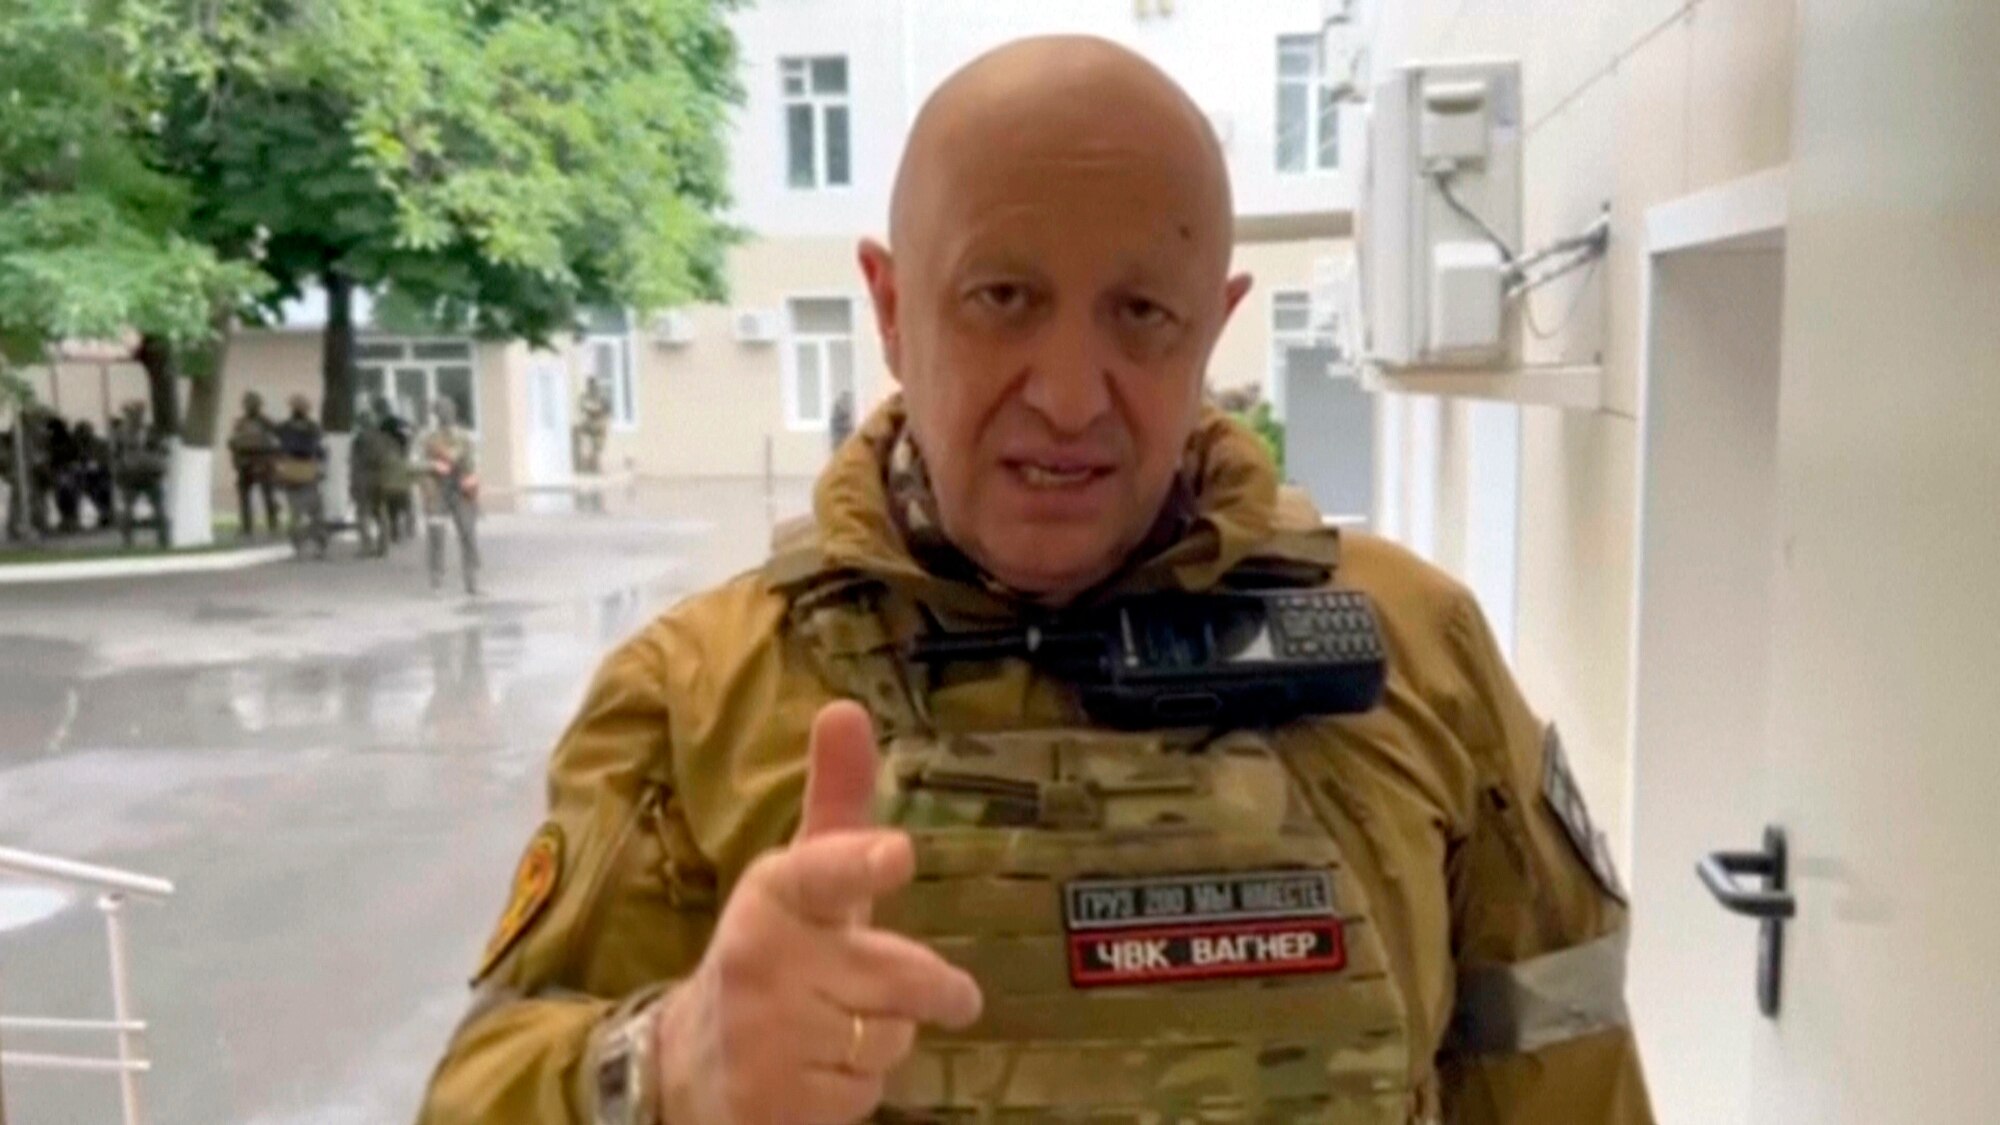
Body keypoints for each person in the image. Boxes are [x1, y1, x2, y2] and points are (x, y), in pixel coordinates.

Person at [417, 37, 1651, 1125]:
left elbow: (1566, 1072)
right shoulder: (696, 700)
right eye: (1002, 298)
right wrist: (668, 1072)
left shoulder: (1413, 655)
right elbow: (481, 1089)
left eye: (1141, 314)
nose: (1067, 394)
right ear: (893, 311)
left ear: (1212, 326)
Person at [418, 397, 480, 595]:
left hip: (461, 490)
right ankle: (436, 581)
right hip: (437, 490)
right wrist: (432, 465)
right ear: (436, 415)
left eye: (449, 409)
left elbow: (473, 461)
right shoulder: (428, 438)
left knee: (468, 534)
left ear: (454, 411)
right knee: (436, 536)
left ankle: (472, 582)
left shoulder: (464, 436)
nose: (446, 414)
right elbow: (414, 463)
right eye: (442, 410)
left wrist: (473, 480)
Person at [273, 393, 328, 559]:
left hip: (290, 470)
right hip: (309, 470)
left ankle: (298, 547)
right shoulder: (314, 428)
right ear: (307, 410)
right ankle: (319, 546)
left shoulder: (283, 427)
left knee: (295, 513)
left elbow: (277, 445)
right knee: (316, 512)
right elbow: (321, 451)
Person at [111, 400, 169, 548]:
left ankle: (128, 541)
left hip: (132, 473)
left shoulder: (121, 432)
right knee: (157, 507)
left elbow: (115, 454)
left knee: (129, 508)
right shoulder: (151, 431)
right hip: (149, 473)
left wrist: (118, 472)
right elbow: (164, 450)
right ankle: (163, 540)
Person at [227, 391, 283, 538]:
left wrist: (273, 457)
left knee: (267, 496)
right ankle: (247, 527)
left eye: (252, 403)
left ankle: (272, 524)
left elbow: (278, 441)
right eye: (248, 403)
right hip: (246, 464)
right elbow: (233, 442)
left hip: (262, 464)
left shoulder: (266, 422)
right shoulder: (241, 422)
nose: (249, 406)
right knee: (246, 497)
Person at [372, 394, 416, 544]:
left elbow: (407, 435)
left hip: (391, 464)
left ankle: (398, 530)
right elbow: (410, 434)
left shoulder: (386, 423)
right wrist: (406, 451)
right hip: (399, 462)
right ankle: (403, 528)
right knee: (401, 496)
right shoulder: (397, 422)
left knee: (393, 498)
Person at [575, 378, 612, 475]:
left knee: (597, 448)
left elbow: (605, 411)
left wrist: (598, 413)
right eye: (590, 386)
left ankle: (596, 467)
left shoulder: (601, 398)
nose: (591, 388)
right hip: (589, 425)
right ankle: (588, 467)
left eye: (593, 386)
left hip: (598, 426)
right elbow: (582, 408)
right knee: (586, 446)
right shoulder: (584, 397)